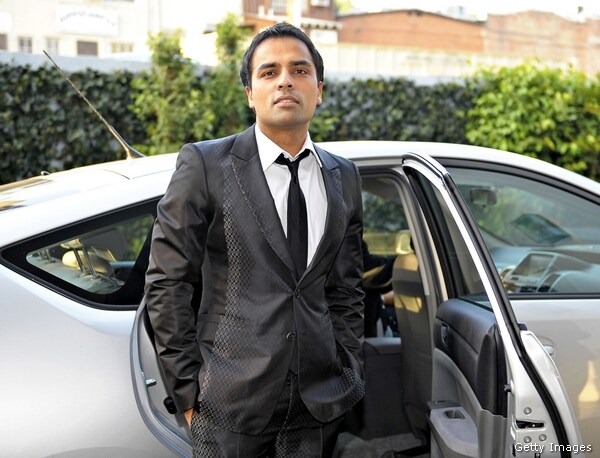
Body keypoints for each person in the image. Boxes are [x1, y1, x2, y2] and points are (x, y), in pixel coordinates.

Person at [144, 22, 366, 457]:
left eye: (299, 70)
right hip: (228, 406)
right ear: (250, 93)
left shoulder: (345, 176)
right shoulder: (206, 165)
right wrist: (189, 395)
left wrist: (348, 365)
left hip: (319, 406)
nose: (285, 80)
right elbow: (167, 283)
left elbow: (347, 288)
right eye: (269, 72)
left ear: (318, 90)